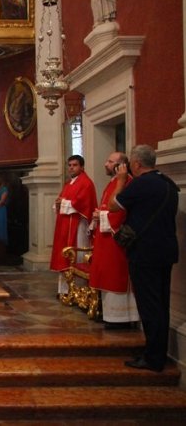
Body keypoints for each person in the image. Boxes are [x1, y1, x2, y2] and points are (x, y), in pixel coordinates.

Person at [108, 145, 179, 372]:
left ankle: (153, 358)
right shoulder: (168, 184)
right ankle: (157, 352)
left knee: (149, 306)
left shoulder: (140, 184)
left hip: (145, 252)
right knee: (161, 304)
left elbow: (113, 206)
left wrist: (121, 180)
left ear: (137, 164)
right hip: (166, 250)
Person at [89, 152, 139, 329]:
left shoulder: (126, 183)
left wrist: (102, 215)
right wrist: (99, 214)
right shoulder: (113, 182)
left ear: (122, 165)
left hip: (115, 238)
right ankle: (110, 315)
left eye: (110, 162)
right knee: (105, 274)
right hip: (105, 237)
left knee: (116, 274)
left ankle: (121, 317)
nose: (105, 164)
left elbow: (120, 212)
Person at [50, 155, 98, 294]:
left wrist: (63, 203)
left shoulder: (86, 183)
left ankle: (79, 289)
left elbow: (82, 203)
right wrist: (58, 203)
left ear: (82, 167)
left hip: (78, 226)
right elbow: (62, 200)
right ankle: (65, 290)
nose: (71, 168)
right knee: (65, 254)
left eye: (75, 165)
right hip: (65, 224)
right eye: (69, 165)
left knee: (76, 253)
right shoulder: (69, 183)